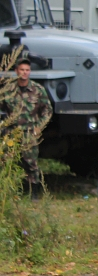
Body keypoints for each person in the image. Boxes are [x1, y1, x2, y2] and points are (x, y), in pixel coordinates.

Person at [0, 57, 53, 197]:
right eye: (22, 70)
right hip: (12, 133)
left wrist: (39, 127)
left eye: (27, 70)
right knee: (8, 161)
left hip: (30, 132)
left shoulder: (37, 90)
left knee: (31, 162)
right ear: (16, 71)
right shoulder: (9, 90)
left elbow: (47, 111)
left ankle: (34, 192)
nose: (24, 73)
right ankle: (9, 191)